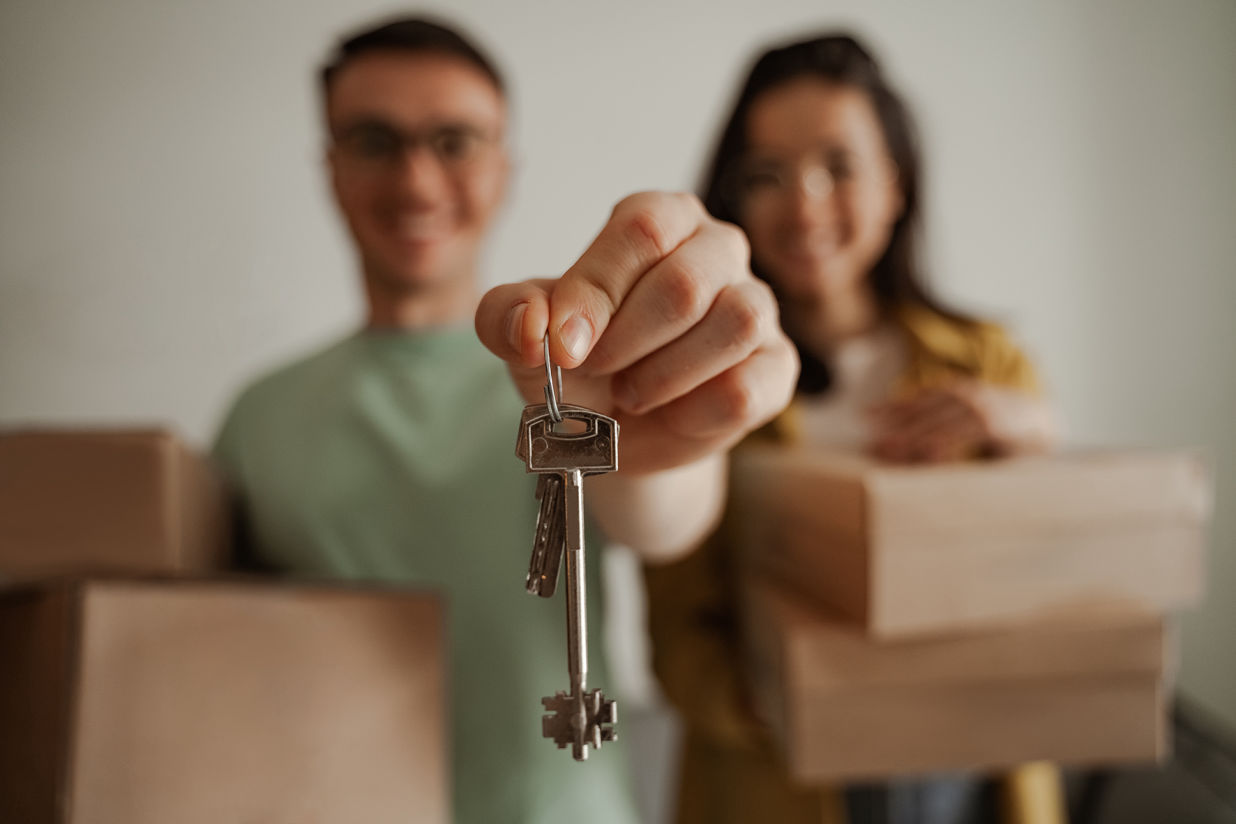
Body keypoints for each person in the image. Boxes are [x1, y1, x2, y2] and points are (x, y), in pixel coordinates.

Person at [211, 15, 798, 824]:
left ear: (505, 165)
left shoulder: (578, 375)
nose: (417, 182)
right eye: (375, 141)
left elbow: (665, 516)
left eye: (454, 141)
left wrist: (660, 438)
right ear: (330, 166)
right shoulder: (256, 417)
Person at [643, 33, 1061, 824]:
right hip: (780, 777)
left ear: (896, 185)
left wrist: (1029, 429)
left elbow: (1063, 571)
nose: (804, 202)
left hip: (973, 773)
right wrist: (773, 702)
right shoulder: (701, 380)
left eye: (839, 165)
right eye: (768, 173)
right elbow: (677, 628)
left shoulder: (987, 362)